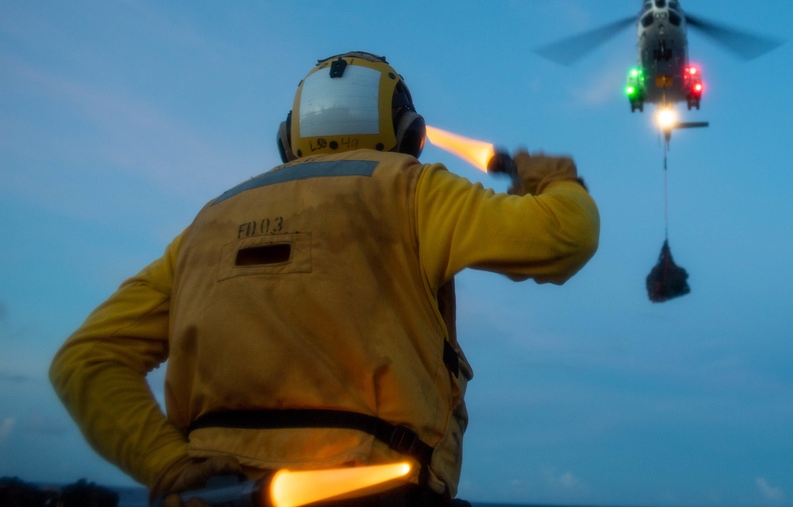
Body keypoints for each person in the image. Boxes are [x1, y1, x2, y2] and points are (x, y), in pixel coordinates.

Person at [50, 51, 600, 506]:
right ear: (407, 135)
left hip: (212, 496)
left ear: (290, 138)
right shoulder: (410, 190)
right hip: (372, 489)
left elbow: (85, 360)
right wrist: (556, 180)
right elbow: (565, 238)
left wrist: (165, 464)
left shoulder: (205, 226)